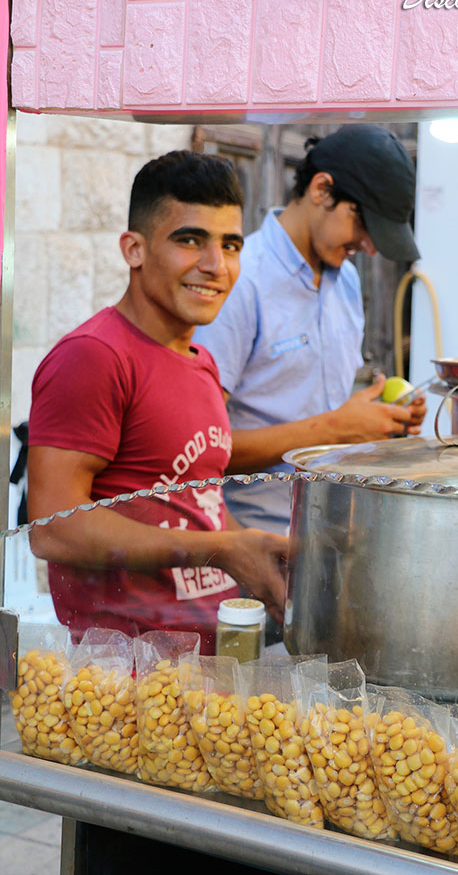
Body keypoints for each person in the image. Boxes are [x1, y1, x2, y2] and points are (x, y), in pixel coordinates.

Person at [27, 150, 287, 654]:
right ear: (134, 249)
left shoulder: (203, 361)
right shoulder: (94, 356)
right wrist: (222, 550)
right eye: (190, 240)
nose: (215, 266)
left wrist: (255, 551)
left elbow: (198, 504)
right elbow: (52, 530)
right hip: (125, 678)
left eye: (230, 244)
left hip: (214, 660)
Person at [195, 124, 426, 535]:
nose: (370, 247)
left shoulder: (347, 282)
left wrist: (379, 419)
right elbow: (197, 448)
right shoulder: (240, 281)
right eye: (365, 226)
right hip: (251, 541)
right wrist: (337, 429)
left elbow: (324, 407)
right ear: (321, 189)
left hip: (331, 529)